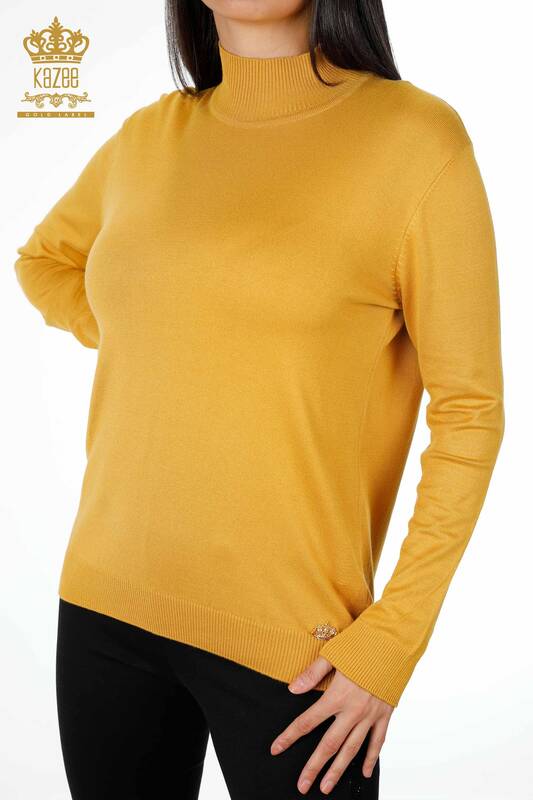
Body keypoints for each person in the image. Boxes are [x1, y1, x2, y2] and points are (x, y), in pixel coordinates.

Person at [13, 1, 505, 798]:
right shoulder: (148, 137)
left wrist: (391, 642)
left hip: (299, 650)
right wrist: (154, 335)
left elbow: (469, 413)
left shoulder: (416, 140)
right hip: (105, 607)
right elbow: (44, 260)